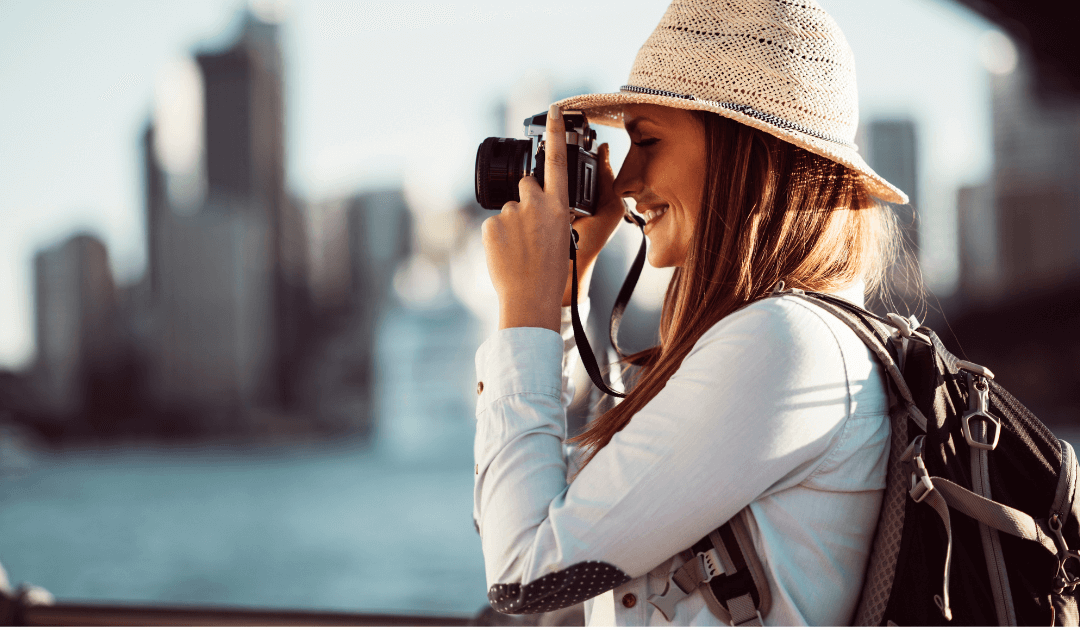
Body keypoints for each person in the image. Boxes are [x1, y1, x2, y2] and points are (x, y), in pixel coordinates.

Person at [473, 0, 912, 625]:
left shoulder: (784, 342)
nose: (623, 180)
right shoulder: (776, 340)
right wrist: (568, 290)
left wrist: (526, 309)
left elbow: (523, 574)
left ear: (744, 151)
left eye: (646, 140)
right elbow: (521, 507)